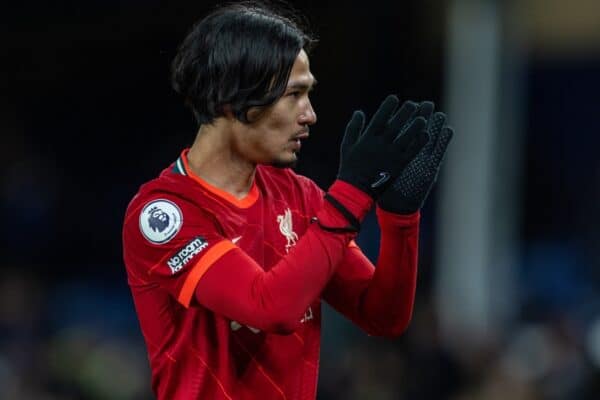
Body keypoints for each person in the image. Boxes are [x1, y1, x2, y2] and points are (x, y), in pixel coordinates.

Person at [122, 1, 453, 399]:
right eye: (294, 95)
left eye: (308, 94)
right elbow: (269, 308)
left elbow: (382, 316)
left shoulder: (298, 196)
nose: (310, 115)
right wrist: (352, 192)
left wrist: (400, 219)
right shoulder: (164, 213)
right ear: (232, 99)